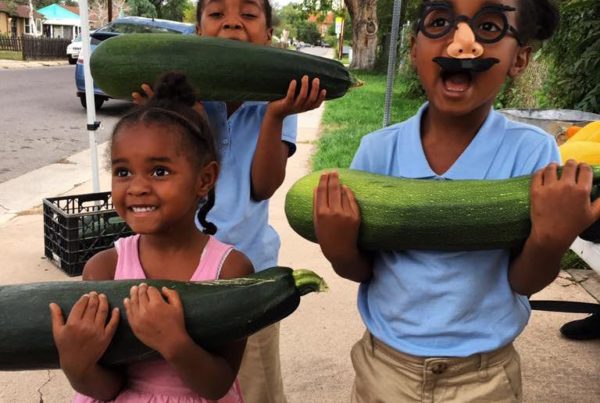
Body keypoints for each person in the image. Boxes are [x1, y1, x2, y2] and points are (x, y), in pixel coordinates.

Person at [313, 0, 600, 401]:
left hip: (485, 374)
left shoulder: (532, 155)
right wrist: (340, 249)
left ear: (519, 59)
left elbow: (523, 282)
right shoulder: (378, 152)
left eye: (489, 27)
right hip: (386, 366)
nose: (463, 44)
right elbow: (364, 271)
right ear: (414, 49)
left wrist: (550, 242)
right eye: (441, 22)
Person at [132, 2, 326, 402]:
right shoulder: (176, 94)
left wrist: (275, 116)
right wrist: (181, 113)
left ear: (269, 36)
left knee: (252, 387)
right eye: (217, 13)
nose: (233, 21)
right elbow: (177, 181)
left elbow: (264, 186)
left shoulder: (277, 94)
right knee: (173, 382)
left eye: (249, 14)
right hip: (174, 271)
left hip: (247, 274)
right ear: (198, 33)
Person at [49, 72, 254, 402]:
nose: (137, 187)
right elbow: (108, 387)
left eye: (159, 171)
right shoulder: (102, 269)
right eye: (123, 172)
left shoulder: (230, 272)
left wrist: (174, 343)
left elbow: (217, 384)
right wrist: (77, 367)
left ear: (205, 179)